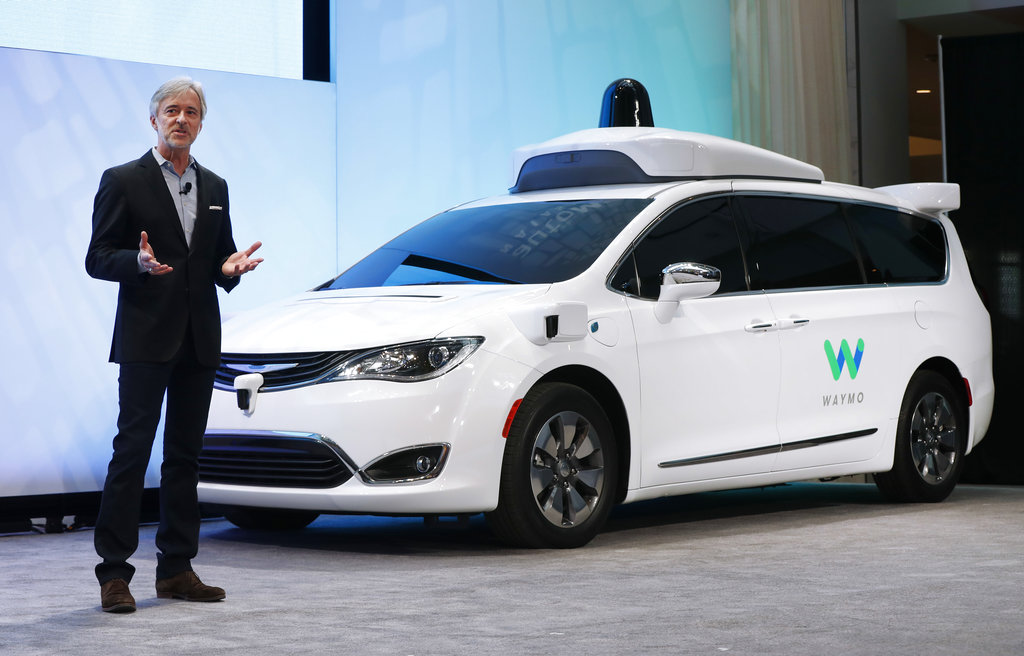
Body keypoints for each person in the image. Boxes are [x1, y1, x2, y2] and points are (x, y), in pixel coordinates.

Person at [85, 76, 263, 613]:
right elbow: (98, 256)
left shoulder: (216, 187)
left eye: (191, 112)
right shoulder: (122, 180)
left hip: (198, 338)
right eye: (171, 110)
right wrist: (135, 264)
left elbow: (217, 260)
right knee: (132, 452)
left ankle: (177, 569)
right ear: (154, 119)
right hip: (144, 337)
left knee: (184, 457)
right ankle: (115, 574)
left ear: (201, 123)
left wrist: (229, 270)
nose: (181, 119)